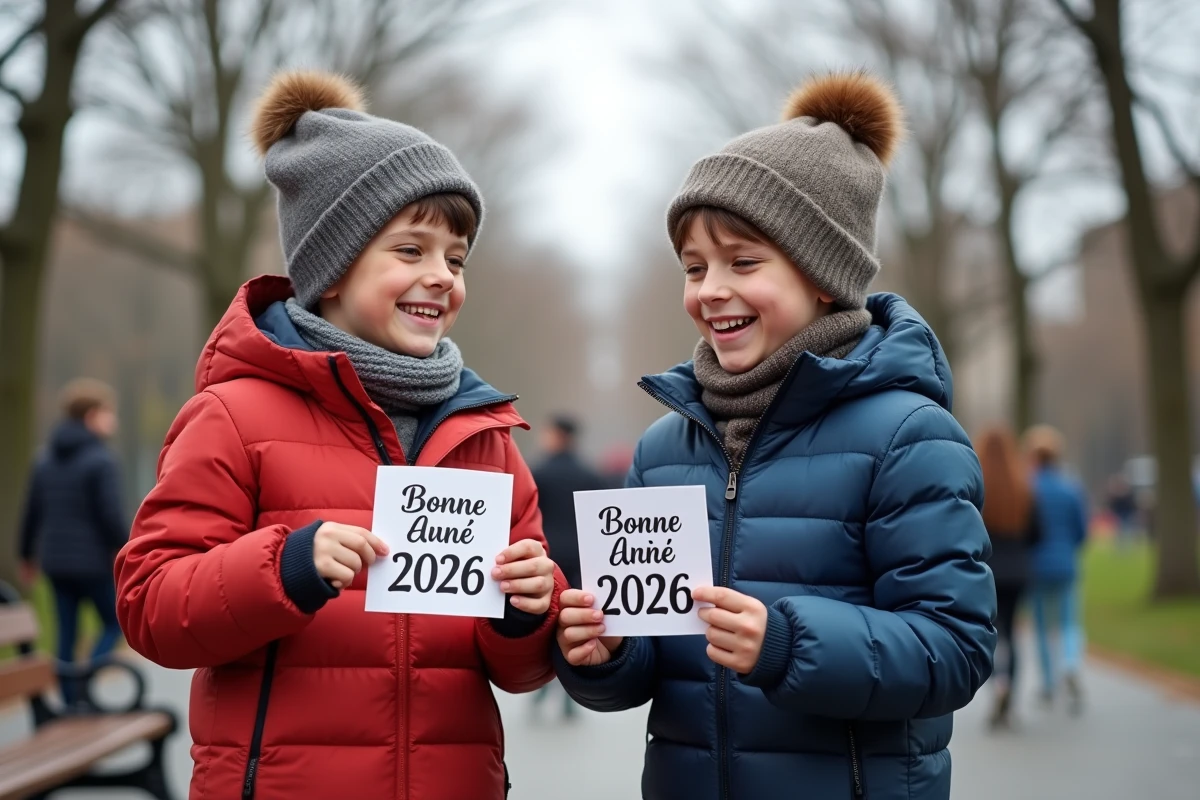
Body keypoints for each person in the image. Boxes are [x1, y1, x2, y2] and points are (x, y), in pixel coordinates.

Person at [114, 71, 563, 800]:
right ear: (331, 267)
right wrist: (283, 566)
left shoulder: (489, 439)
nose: (442, 278)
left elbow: (521, 672)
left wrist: (526, 610)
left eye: (456, 258)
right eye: (411, 251)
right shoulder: (233, 415)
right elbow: (150, 607)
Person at [554, 72, 996, 800]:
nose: (709, 289)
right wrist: (605, 654)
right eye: (694, 267)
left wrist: (789, 645)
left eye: (743, 262)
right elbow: (647, 670)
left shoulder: (911, 436)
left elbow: (956, 650)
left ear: (823, 276)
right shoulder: (663, 448)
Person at [18, 378, 127, 707]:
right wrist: (125, 551)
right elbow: (110, 516)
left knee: (66, 632)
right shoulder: (100, 459)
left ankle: (69, 699)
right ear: (92, 415)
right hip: (91, 561)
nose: (113, 420)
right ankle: (86, 683)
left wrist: (27, 555)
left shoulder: (44, 458)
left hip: (55, 561)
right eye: (108, 412)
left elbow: (31, 512)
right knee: (114, 622)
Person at [529, 414, 605, 720]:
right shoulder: (590, 474)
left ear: (558, 435)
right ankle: (571, 689)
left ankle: (544, 683)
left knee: (545, 622)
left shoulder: (539, 472)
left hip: (548, 555)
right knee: (576, 623)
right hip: (583, 555)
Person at [975, 425, 1040, 729]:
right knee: (1012, 635)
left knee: (990, 633)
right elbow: (1037, 533)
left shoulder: (978, 487)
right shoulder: (1023, 487)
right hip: (1017, 570)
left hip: (986, 570)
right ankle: (1009, 691)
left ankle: (996, 686)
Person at [1024, 424, 1089, 716]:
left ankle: (1049, 683)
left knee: (1041, 626)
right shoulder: (1070, 486)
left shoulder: (1027, 487)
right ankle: (1071, 665)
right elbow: (1081, 529)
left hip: (1035, 565)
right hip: (1065, 563)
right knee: (1068, 622)